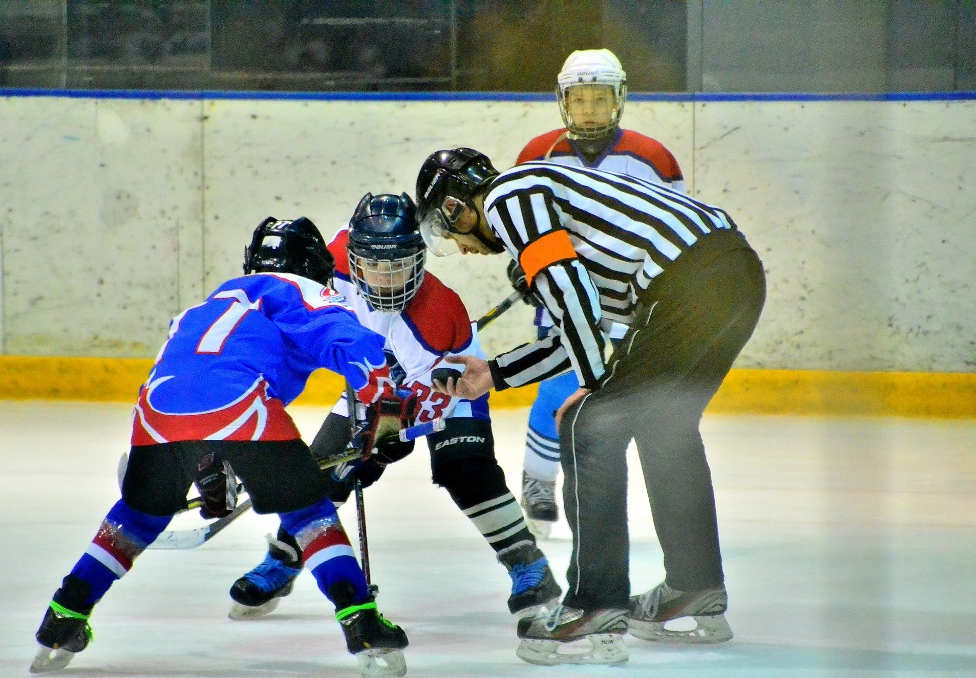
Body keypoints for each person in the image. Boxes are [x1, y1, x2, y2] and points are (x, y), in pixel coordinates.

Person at [414, 148, 766, 665]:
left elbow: (572, 298)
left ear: (455, 207)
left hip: (688, 281)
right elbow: (578, 327)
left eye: (449, 235)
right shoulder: (573, 224)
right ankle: (695, 585)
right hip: (734, 276)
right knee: (666, 427)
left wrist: (592, 385)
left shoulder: (510, 196)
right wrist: (494, 374)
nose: (462, 250)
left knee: (588, 423)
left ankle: (594, 603)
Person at [31, 216, 410, 678]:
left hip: (157, 409)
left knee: (137, 517)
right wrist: (386, 406)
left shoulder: (207, 305)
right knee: (308, 514)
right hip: (241, 403)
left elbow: (193, 382)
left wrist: (208, 463)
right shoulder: (300, 290)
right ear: (315, 265)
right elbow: (349, 341)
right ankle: (362, 623)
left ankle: (64, 615)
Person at [225, 193, 561, 625]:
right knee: (321, 472)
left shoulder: (439, 313)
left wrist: (386, 441)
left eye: (399, 266)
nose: (387, 279)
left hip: (451, 384)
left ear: (419, 259)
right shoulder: (329, 265)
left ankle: (528, 565)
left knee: (465, 469)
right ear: (353, 259)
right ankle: (285, 559)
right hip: (373, 378)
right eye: (375, 266)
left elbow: (435, 401)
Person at [510, 48, 686, 540]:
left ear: (619, 99)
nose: (589, 109)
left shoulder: (653, 159)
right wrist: (524, 266)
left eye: (600, 98)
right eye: (579, 99)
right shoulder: (538, 154)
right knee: (558, 383)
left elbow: (674, 232)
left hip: (631, 295)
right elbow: (521, 224)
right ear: (564, 101)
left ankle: (612, 494)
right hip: (564, 289)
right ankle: (538, 482)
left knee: (626, 393)